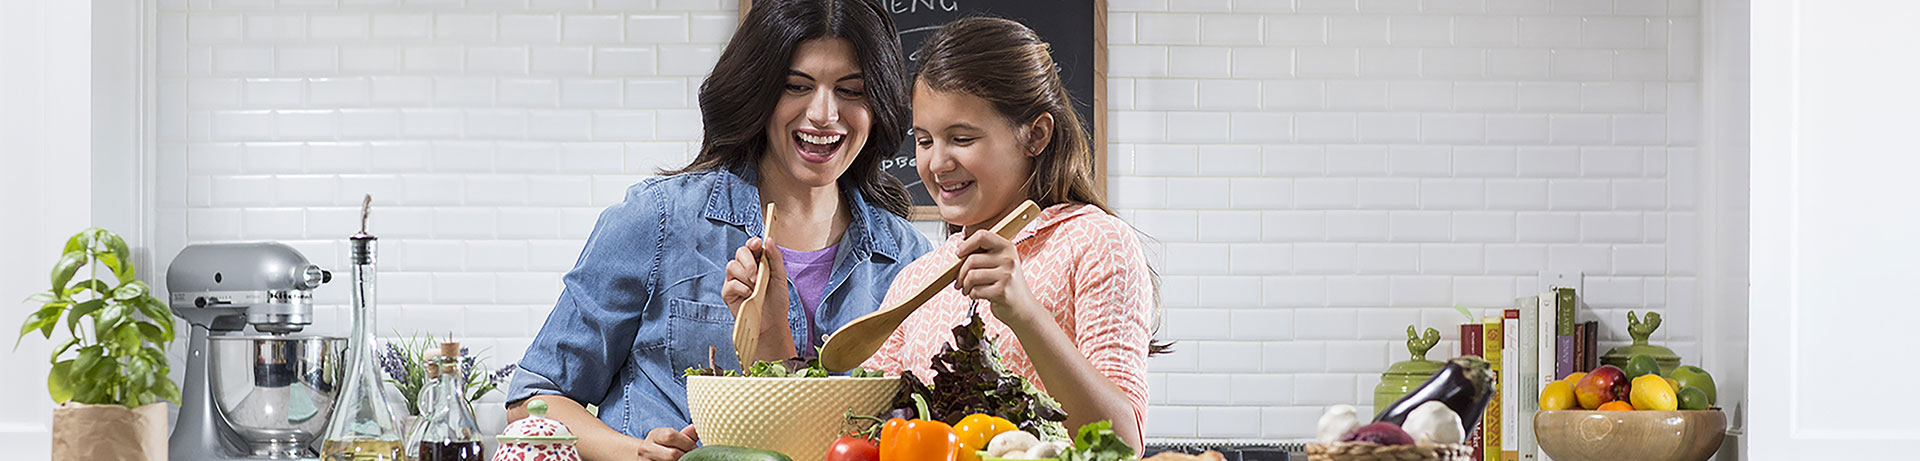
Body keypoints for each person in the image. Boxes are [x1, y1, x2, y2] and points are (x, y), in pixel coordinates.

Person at [503, 1, 931, 459]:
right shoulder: (659, 218)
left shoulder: (908, 260)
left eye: (851, 90)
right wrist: (632, 452)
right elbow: (535, 399)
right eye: (796, 86)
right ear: (760, 92)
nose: (824, 114)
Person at [859, 17, 1161, 454]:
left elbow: (1122, 444)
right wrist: (775, 340)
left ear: (1035, 135)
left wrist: (1025, 313)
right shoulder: (918, 278)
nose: (937, 163)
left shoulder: (1096, 242)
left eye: (961, 138)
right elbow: (863, 430)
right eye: (924, 141)